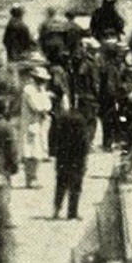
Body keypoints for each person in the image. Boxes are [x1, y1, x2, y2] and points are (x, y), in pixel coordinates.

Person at [49, 89, 91, 220]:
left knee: (61, 184)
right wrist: (85, 160)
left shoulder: (64, 117)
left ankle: (56, 209)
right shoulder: (82, 121)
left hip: (62, 156)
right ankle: (72, 212)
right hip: (77, 159)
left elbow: (54, 134)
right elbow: (84, 143)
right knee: (76, 185)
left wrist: (54, 151)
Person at [20, 63, 53, 190]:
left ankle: (34, 177)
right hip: (31, 124)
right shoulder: (29, 90)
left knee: (38, 152)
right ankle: (30, 178)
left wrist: (45, 108)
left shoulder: (41, 90)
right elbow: (37, 106)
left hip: (40, 124)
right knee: (30, 153)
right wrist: (44, 108)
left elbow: (48, 105)